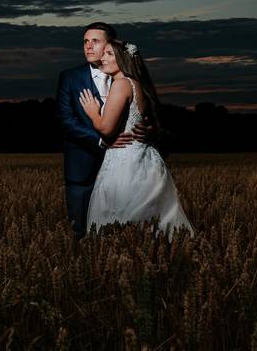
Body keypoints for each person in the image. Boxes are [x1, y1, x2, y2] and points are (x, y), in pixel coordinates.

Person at [78, 39, 193, 239]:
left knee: (119, 220)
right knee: (147, 223)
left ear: (122, 59)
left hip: (125, 162)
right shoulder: (135, 84)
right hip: (143, 159)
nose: (102, 57)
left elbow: (106, 128)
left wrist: (93, 112)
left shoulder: (121, 84)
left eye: (108, 54)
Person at [56, 22, 148, 237]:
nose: (88, 46)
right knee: (79, 231)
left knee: (123, 232)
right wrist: (101, 141)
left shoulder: (128, 81)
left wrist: (146, 128)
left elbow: (145, 114)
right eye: (85, 41)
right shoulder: (70, 77)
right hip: (83, 166)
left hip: (125, 169)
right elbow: (65, 120)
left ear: (112, 46)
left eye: (95, 41)